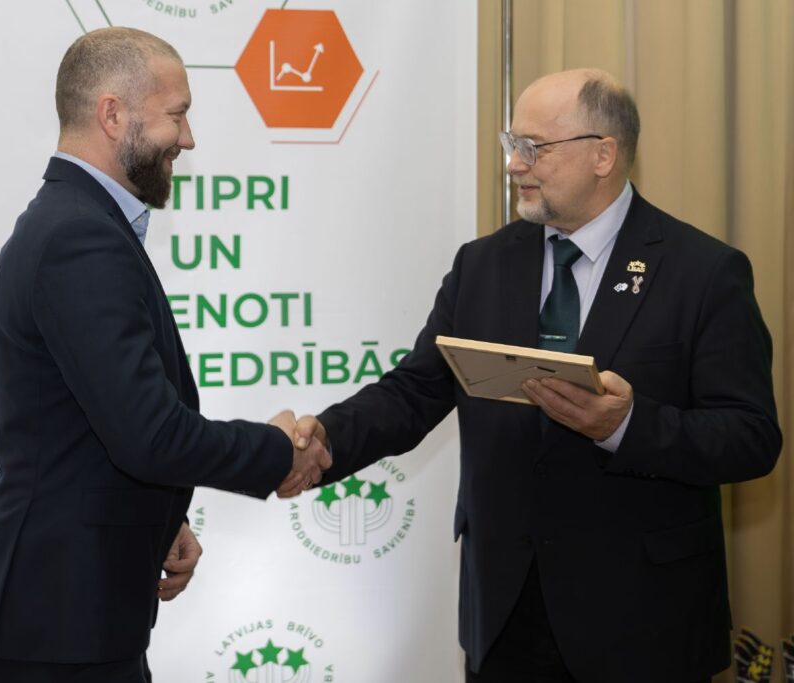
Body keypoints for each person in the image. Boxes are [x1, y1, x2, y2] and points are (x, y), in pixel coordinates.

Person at [281, 69, 781, 682]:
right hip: (505, 612)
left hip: (642, 618)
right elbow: (415, 391)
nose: (514, 165)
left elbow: (750, 437)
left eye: (533, 147)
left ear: (603, 155)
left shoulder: (703, 272)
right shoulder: (483, 264)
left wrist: (628, 426)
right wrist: (326, 440)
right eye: (511, 144)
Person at [0, 27, 330, 683]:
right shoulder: (79, 236)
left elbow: (87, 429)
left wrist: (162, 520)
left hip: (68, 612)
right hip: (59, 625)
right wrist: (278, 450)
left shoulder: (77, 221)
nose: (187, 139)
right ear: (112, 115)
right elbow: (150, 435)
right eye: (177, 115)